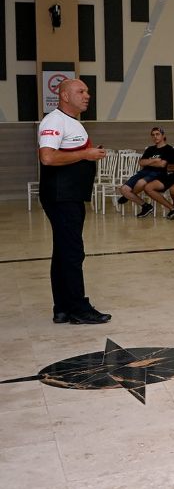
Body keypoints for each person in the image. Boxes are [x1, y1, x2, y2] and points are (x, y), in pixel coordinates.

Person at [37, 79, 110, 325]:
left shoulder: (72, 122)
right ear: (65, 96)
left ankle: (62, 308)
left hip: (70, 195)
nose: (87, 95)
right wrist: (86, 154)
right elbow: (47, 157)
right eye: (81, 91)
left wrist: (89, 155)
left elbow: (69, 154)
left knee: (63, 253)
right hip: (61, 196)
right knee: (72, 253)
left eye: (87, 91)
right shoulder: (54, 120)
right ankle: (79, 308)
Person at [117, 127, 171, 218]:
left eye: (157, 134)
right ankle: (146, 206)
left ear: (163, 136)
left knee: (140, 183)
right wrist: (154, 160)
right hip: (143, 172)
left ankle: (128, 196)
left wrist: (148, 162)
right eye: (153, 135)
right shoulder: (150, 149)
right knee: (123, 189)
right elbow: (141, 162)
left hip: (157, 174)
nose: (155, 137)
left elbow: (162, 164)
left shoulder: (168, 149)